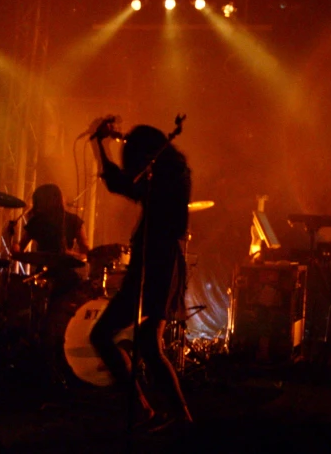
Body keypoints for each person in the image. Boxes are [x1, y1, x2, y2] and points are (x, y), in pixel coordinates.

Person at [88, 121, 193, 431]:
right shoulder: (170, 172)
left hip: (154, 264)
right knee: (149, 344)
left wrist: (101, 146)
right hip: (161, 263)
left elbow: (123, 184)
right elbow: (124, 184)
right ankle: (176, 416)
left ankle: (149, 410)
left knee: (103, 336)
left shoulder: (166, 176)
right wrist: (101, 146)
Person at [10, 183, 90, 296]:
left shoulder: (73, 221)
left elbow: (86, 253)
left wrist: (69, 254)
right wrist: (15, 248)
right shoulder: (37, 222)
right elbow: (20, 246)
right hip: (46, 274)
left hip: (61, 276)